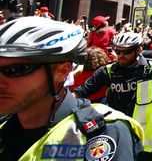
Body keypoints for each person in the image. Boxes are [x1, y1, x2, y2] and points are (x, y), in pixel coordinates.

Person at [0, 17, 143, 160]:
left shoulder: (103, 131)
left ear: (62, 71)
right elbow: (85, 89)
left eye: (16, 69)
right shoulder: (4, 126)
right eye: (119, 52)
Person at [75, 32, 152, 116]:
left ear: (138, 50)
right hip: (120, 123)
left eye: (126, 52)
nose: (121, 55)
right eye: (118, 51)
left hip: (145, 125)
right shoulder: (108, 70)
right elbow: (82, 91)